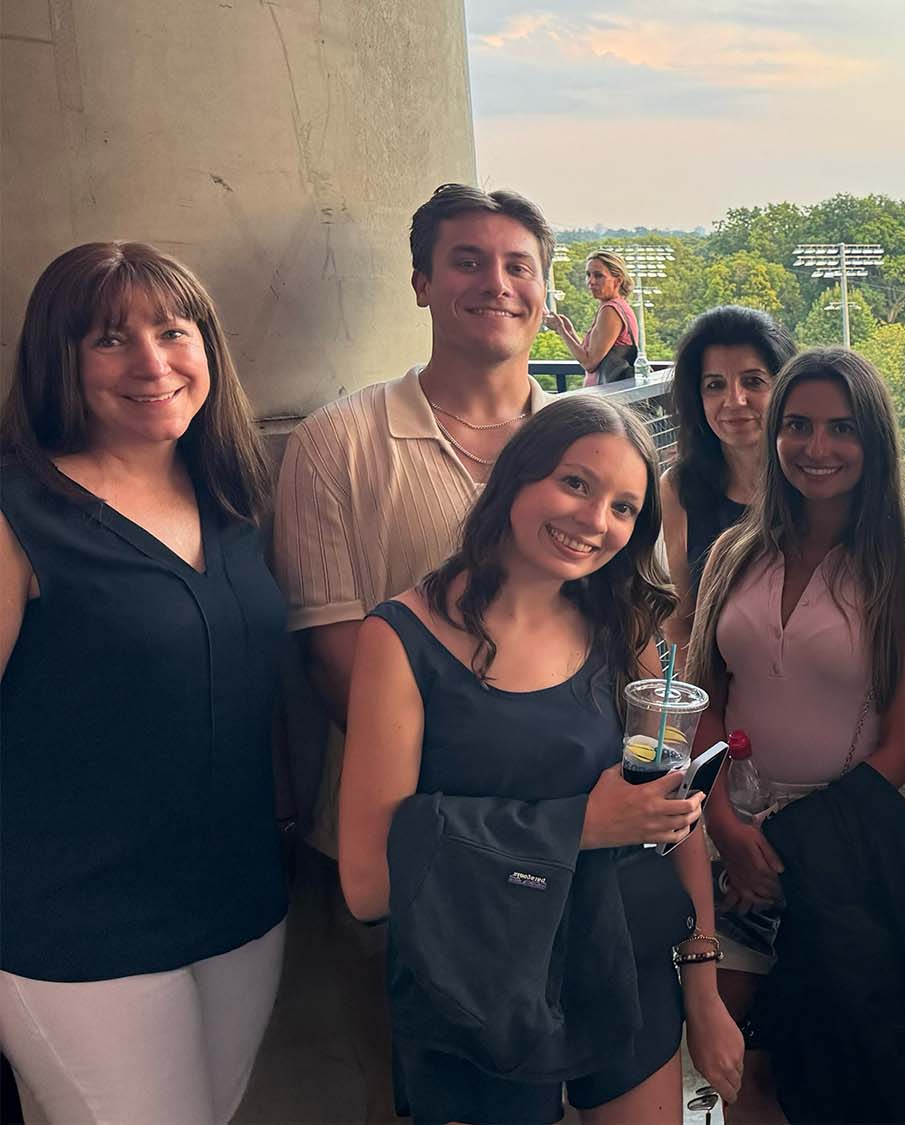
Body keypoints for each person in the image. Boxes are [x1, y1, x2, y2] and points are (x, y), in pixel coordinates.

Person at [338, 395, 738, 1123]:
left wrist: (704, 986)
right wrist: (575, 827)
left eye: (624, 507)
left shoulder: (623, 630)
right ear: (516, 476)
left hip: (621, 964)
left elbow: (677, 814)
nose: (595, 521)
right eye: (576, 483)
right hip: (472, 984)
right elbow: (369, 882)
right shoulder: (400, 639)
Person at [270, 183, 559, 1119]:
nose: (496, 283)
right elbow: (334, 663)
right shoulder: (336, 446)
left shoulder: (591, 447)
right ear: (421, 282)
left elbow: (639, 642)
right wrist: (490, 805)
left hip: (569, 843)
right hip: (399, 851)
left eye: (519, 264)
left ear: (547, 290)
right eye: (467, 261)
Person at [0, 242, 287, 1122]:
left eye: (175, 330)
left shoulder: (233, 498)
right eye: (110, 340)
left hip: (240, 905)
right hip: (76, 924)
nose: (154, 363)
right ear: (59, 359)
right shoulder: (19, 514)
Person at [681, 348, 905, 1121]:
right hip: (731, 850)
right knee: (746, 1073)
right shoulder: (734, 554)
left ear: (874, 442)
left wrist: (788, 848)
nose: (817, 447)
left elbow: (903, 745)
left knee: (847, 1076)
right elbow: (705, 695)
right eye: (796, 426)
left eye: (842, 428)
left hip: (849, 860)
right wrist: (726, 824)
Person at [659, 306, 796, 647]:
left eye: (753, 381)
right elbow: (681, 622)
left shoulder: (816, 482)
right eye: (715, 385)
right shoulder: (678, 491)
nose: (734, 400)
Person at [546, 249, 640, 387]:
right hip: (610, 395)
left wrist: (561, 330)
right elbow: (590, 354)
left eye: (598, 276)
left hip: (607, 396)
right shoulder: (620, 307)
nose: (591, 281)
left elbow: (589, 363)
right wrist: (570, 332)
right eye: (588, 275)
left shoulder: (610, 310)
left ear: (618, 280)